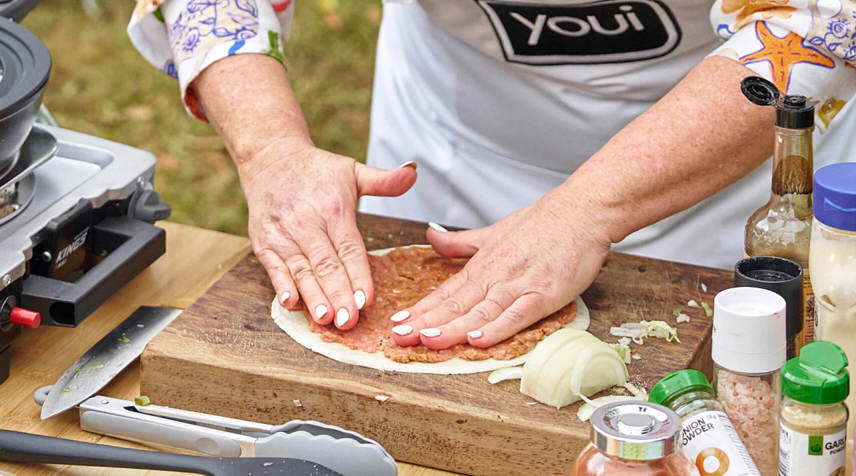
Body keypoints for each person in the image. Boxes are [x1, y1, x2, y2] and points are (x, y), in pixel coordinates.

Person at [128, 0, 856, 351]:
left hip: (732, 162)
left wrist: (591, 207)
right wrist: (270, 152)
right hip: (453, 132)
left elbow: (822, 24)